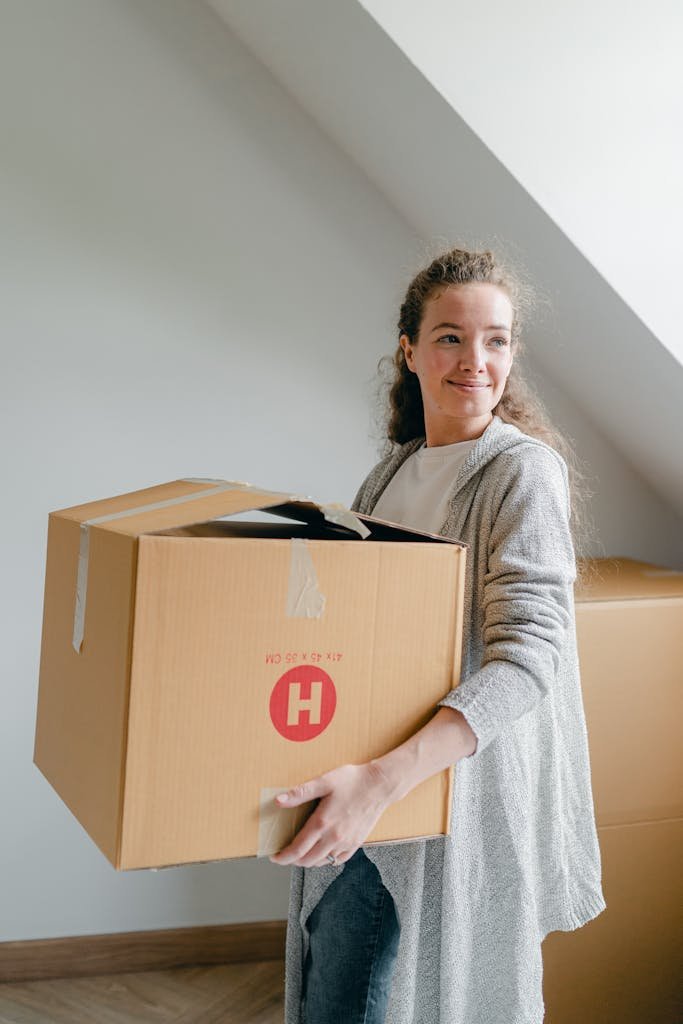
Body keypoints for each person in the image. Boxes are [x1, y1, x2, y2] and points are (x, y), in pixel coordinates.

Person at [269, 247, 606, 1024]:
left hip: (434, 797)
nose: (474, 360)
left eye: (495, 339)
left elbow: (526, 660)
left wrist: (383, 782)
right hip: (365, 776)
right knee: (333, 988)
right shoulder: (393, 472)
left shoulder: (521, 472)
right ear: (409, 350)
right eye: (450, 336)